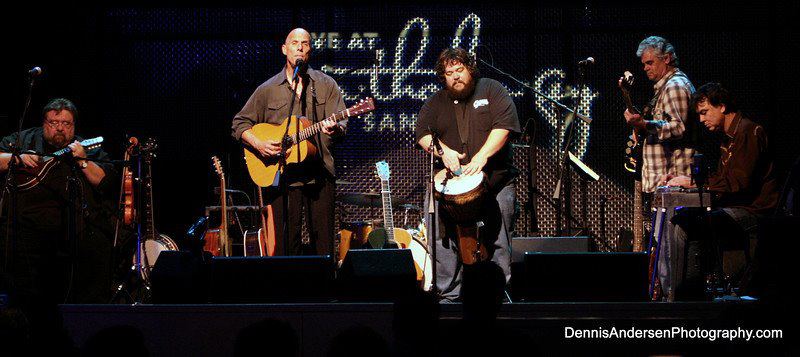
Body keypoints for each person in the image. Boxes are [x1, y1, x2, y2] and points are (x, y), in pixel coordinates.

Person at [0, 98, 115, 352]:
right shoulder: (24, 140)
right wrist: (16, 158)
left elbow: (104, 181)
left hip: (72, 230)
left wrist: (83, 160)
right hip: (26, 229)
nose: (60, 128)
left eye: (66, 123)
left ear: (74, 127)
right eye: (54, 122)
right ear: (44, 124)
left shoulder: (87, 148)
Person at [415, 47, 520, 302]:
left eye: (459, 70)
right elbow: (423, 135)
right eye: (449, 73)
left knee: (498, 241)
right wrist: (443, 151)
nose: (455, 77)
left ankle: (498, 293)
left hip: (495, 181)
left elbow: (503, 127)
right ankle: (448, 294)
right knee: (443, 239)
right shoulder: (436, 101)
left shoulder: (492, 89)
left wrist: (482, 156)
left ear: (469, 70)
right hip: (451, 189)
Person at [232, 28, 345, 256]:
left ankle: (324, 289)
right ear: (285, 49)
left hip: (319, 174)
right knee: (285, 246)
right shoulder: (268, 89)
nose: (300, 47)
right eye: (295, 43)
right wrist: (259, 144)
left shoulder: (326, 85)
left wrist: (334, 128)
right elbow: (239, 124)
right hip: (283, 177)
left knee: (323, 246)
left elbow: (341, 125)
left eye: (305, 43)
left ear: (310, 50)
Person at [665, 83, 778, 299]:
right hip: (738, 206)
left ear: (722, 107)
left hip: (754, 212)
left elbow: (738, 182)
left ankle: (685, 298)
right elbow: (722, 179)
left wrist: (693, 184)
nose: (701, 119)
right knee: (684, 218)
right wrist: (691, 180)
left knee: (684, 225)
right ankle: (691, 295)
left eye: (705, 112)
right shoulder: (729, 137)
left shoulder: (748, 132)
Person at [623, 36, 696, 193]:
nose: (645, 68)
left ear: (667, 59)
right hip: (665, 181)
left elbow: (678, 128)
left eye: (650, 63)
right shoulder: (665, 87)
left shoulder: (674, 87)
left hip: (673, 180)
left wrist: (645, 124)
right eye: (644, 64)